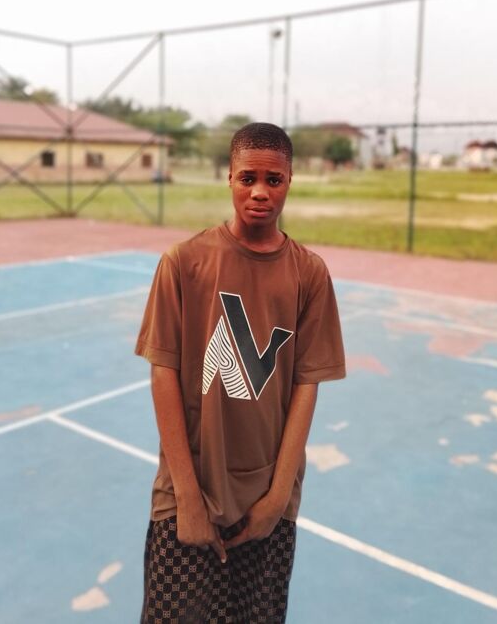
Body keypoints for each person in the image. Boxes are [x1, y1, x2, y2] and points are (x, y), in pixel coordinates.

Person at [134, 121, 346, 623]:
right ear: (229, 177)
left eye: (274, 180)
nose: (260, 192)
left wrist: (277, 498)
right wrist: (188, 497)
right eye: (248, 178)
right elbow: (163, 376)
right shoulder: (183, 263)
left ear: (289, 182)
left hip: (267, 504)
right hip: (189, 498)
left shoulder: (309, 273)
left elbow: (306, 385)